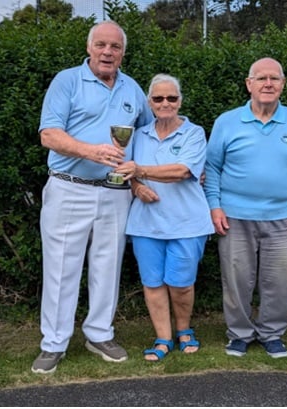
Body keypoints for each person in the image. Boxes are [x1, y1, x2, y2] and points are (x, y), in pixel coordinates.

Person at [31, 20, 154, 374]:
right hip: (69, 187)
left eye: (115, 47)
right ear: (89, 48)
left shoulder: (132, 89)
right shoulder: (67, 81)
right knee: (60, 269)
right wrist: (90, 152)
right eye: (101, 45)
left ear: (123, 52)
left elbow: (146, 137)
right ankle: (54, 342)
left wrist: (147, 174)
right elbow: (49, 135)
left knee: (108, 266)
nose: (107, 52)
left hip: (115, 193)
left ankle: (99, 333)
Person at [204, 57, 287, 358]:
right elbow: (212, 168)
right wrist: (214, 207)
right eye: (261, 78)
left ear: (283, 84)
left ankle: (271, 333)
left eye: (274, 78)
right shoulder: (227, 121)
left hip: (283, 217)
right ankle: (239, 334)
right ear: (249, 84)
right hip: (233, 216)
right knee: (237, 280)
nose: (268, 84)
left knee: (280, 282)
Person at [116, 74, 214, 361]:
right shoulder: (138, 134)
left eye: (171, 98)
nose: (165, 103)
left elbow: (183, 171)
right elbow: (125, 170)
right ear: (150, 102)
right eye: (158, 98)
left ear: (180, 101)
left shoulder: (194, 133)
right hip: (146, 223)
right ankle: (163, 338)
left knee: (182, 283)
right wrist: (135, 185)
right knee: (153, 283)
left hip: (187, 222)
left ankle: (184, 329)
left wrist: (140, 172)